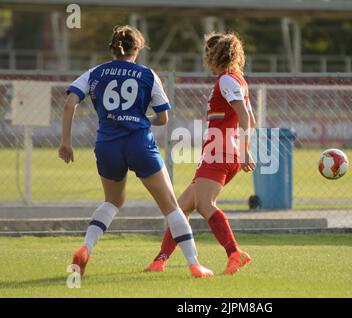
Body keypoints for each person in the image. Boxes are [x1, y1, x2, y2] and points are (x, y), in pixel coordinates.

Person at [58, 25, 213, 278]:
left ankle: (86, 247)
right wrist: (138, 119)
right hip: (139, 143)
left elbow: (69, 104)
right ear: (137, 49)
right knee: (171, 207)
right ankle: (194, 263)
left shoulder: (95, 72)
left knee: (113, 202)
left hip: (107, 145)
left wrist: (66, 142)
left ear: (112, 49)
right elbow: (163, 118)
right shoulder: (147, 74)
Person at [145, 32, 256, 275]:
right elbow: (251, 118)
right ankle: (159, 260)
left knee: (205, 205)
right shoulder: (236, 79)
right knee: (181, 207)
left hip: (221, 152)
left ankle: (234, 253)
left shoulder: (226, 80)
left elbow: (246, 118)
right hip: (221, 152)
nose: (206, 57)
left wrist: (246, 151)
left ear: (215, 54)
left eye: (207, 52)